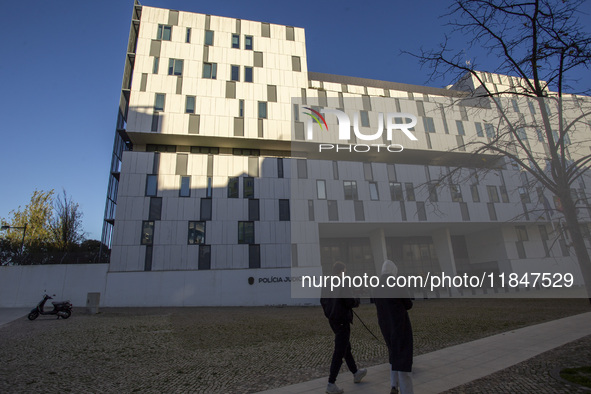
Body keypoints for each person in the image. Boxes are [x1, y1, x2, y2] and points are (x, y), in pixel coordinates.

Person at [320, 261, 367, 394]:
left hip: (333, 320)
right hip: (342, 320)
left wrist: (329, 314)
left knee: (346, 347)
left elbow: (322, 301)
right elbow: (349, 301)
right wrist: (357, 300)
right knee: (340, 351)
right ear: (342, 271)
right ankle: (331, 383)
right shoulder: (342, 281)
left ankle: (356, 372)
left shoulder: (326, 282)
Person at [373, 260, 414, 394]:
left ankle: (393, 385)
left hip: (385, 325)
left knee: (393, 353)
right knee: (403, 358)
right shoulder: (397, 283)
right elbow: (408, 304)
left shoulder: (376, 285)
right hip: (400, 324)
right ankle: (406, 390)